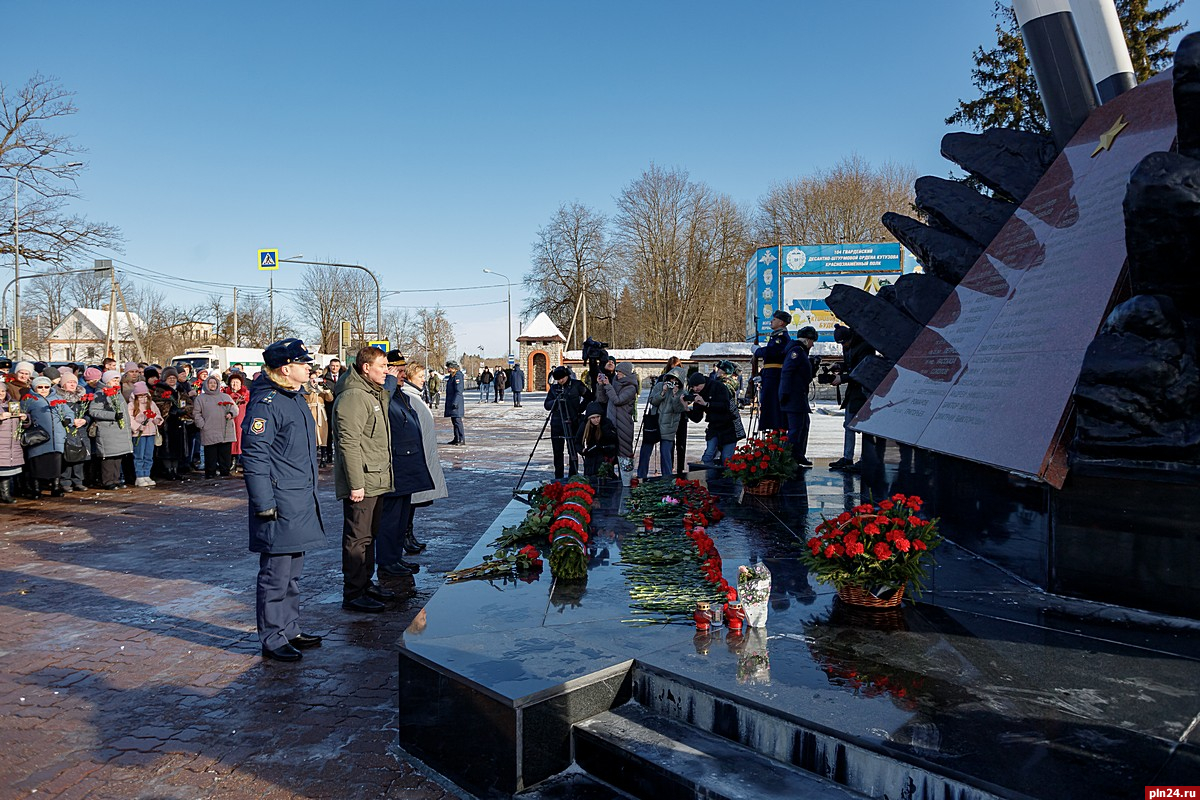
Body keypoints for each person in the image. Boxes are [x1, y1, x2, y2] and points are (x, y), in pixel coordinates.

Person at [241, 337, 326, 662]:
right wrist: (263, 502)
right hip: (278, 503)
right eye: (303, 363)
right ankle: (273, 637)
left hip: (298, 500)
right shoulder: (267, 403)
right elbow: (255, 455)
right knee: (276, 575)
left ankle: (289, 629)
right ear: (286, 368)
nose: (309, 367)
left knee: (292, 574)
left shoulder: (294, 398)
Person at [332, 346, 396, 613]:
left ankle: (365, 583)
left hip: (375, 476)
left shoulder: (371, 392)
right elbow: (349, 443)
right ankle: (354, 592)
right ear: (366, 368)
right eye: (382, 366)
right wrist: (356, 483)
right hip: (364, 481)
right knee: (358, 538)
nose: (386, 371)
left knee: (369, 536)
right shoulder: (355, 396)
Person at [376, 351, 432, 579]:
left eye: (402, 370)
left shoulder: (400, 394)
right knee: (390, 520)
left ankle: (396, 557)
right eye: (397, 371)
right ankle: (387, 561)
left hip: (407, 464)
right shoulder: (385, 394)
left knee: (401, 517)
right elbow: (380, 408)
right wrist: (389, 382)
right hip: (394, 466)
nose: (402, 375)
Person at [400, 363, 447, 555]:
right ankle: (404, 535)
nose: (423, 379)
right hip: (414, 457)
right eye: (420, 375)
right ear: (410, 377)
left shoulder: (415, 396)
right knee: (409, 502)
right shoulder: (409, 398)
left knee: (413, 503)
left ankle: (408, 534)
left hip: (421, 455)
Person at [829, 325, 874, 472]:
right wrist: (839, 366)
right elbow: (851, 365)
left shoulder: (865, 346)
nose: (843, 346)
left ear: (850, 338)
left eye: (844, 342)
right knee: (848, 425)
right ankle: (847, 458)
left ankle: (865, 459)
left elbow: (862, 369)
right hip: (853, 390)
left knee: (866, 426)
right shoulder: (848, 346)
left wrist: (842, 378)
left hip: (865, 390)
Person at [88, 370, 135, 490]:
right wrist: (112, 416)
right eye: (114, 380)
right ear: (107, 381)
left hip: (118, 430)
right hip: (108, 430)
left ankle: (116, 478)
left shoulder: (117, 393)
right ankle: (108, 481)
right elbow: (94, 411)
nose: (116, 382)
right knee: (109, 457)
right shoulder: (100, 394)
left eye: (118, 380)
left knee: (118, 456)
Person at [21, 375, 67, 497]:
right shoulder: (29, 399)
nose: (43, 389)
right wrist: (27, 420)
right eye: (40, 387)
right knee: (37, 462)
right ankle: (36, 488)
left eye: (46, 387)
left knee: (55, 463)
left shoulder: (57, 397)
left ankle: (56, 487)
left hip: (56, 436)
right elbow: (22, 414)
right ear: (35, 388)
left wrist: (68, 419)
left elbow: (68, 412)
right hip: (38, 436)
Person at [638, 366, 686, 479]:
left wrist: (675, 396)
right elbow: (652, 401)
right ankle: (641, 476)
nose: (672, 383)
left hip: (669, 426)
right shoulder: (659, 386)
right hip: (654, 423)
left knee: (666, 455)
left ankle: (667, 479)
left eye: (676, 381)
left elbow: (678, 409)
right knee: (645, 452)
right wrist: (663, 392)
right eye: (671, 380)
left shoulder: (682, 392)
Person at [780, 326, 818, 468]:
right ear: (807, 340)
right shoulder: (796, 352)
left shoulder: (801, 352)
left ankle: (798, 454)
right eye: (812, 341)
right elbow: (787, 372)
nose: (813, 344)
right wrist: (784, 393)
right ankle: (788, 458)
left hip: (798, 397)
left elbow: (803, 374)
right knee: (796, 428)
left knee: (804, 425)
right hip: (793, 397)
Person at [684, 371, 739, 466]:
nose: (695, 389)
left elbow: (726, 406)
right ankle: (707, 476)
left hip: (729, 426)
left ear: (703, 382)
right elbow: (697, 418)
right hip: (714, 427)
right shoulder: (698, 393)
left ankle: (727, 479)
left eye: (697, 386)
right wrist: (686, 408)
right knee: (708, 455)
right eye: (693, 387)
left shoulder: (719, 387)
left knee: (726, 458)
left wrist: (706, 404)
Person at [544, 365, 589, 479]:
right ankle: (558, 476)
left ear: (567, 376)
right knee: (557, 452)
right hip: (557, 422)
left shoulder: (577, 385)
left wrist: (580, 409)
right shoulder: (554, 388)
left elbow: (589, 396)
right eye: (558, 379)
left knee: (572, 450)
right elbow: (547, 405)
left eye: (562, 378)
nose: (560, 381)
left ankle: (573, 475)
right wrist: (555, 402)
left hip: (573, 421)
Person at [596, 360, 638, 472]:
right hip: (611, 425)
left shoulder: (631, 387)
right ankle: (608, 478)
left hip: (624, 425)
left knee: (624, 454)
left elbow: (617, 400)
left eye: (619, 372)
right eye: (617, 371)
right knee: (609, 455)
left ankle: (625, 480)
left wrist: (608, 385)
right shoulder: (614, 382)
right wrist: (601, 386)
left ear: (625, 373)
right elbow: (602, 399)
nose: (617, 374)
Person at [754, 310, 792, 433]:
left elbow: (772, 353)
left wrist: (758, 351)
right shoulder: (775, 336)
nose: (771, 321)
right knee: (769, 407)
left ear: (781, 322)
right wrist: (762, 375)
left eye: (774, 319)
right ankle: (773, 434)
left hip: (775, 377)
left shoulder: (781, 338)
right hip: (770, 376)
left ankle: (777, 435)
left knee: (774, 409)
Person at [152, 367, 194, 481]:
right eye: (169, 378)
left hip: (179, 422)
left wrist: (184, 410)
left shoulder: (180, 390)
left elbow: (190, 403)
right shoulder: (159, 390)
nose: (172, 380)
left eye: (174, 378)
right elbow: (157, 404)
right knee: (166, 449)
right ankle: (168, 470)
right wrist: (169, 409)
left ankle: (175, 470)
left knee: (177, 448)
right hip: (166, 423)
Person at [193, 374, 237, 478]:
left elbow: (234, 408)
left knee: (225, 453)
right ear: (206, 385)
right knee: (211, 454)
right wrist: (202, 424)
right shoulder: (201, 399)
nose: (212, 385)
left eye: (214, 383)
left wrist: (231, 413)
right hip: (209, 429)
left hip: (225, 430)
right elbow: (196, 413)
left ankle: (225, 472)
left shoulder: (225, 396)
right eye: (210, 383)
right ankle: (210, 473)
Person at [56, 370, 91, 492]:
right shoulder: (58, 398)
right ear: (63, 384)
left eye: (74, 382)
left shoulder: (82, 398)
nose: (72, 385)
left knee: (80, 456)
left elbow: (88, 414)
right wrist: (69, 421)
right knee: (68, 456)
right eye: (69, 382)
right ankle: (65, 481)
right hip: (67, 430)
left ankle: (78, 481)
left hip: (80, 431)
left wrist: (85, 420)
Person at [128, 381, 160, 487]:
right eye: (140, 396)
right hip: (139, 434)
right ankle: (139, 476)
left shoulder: (151, 403)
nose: (143, 398)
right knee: (139, 455)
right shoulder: (132, 405)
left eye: (145, 395)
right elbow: (129, 418)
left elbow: (157, 413)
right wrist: (137, 426)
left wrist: (157, 419)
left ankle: (147, 474)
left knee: (148, 455)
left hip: (150, 432)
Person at [578, 401, 618, 478]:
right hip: (590, 457)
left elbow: (614, 440)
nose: (596, 420)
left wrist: (606, 431)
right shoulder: (585, 425)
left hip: (604, 458)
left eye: (598, 417)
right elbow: (577, 442)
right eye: (593, 418)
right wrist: (582, 450)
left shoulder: (606, 423)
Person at [304, 370, 334, 467]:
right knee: (312, 433)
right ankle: (312, 456)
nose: (314, 381)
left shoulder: (320, 388)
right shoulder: (305, 387)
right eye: (312, 379)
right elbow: (305, 395)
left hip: (321, 412)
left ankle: (323, 458)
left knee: (323, 434)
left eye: (315, 379)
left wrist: (326, 391)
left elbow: (330, 399)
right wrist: (311, 388)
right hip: (311, 411)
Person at [224, 372, 250, 473]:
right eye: (233, 382)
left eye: (237, 382)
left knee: (241, 440)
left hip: (241, 420)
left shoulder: (246, 395)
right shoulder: (226, 394)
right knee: (231, 441)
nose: (235, 384)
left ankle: (242, 462)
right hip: (229, 421)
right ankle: (231, 461)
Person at [443, 360, 466, 445]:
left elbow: (458, 391)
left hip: (456, 402)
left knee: (457, 420)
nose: (447, 369)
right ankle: (456, 438)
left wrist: (455, 402)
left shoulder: (457, 376)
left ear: (453, 368)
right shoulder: (452, 376)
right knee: (454, 420)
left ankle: (461, 438)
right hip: (452, 401)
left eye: (449, 368)